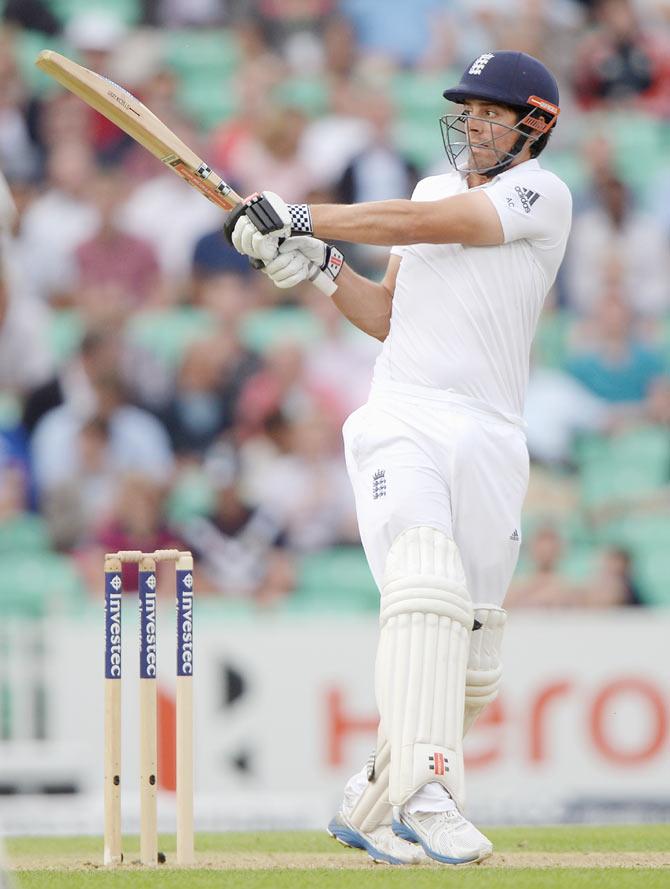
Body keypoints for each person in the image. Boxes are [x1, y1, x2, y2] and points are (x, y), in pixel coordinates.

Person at [225, 51, 572, 866]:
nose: (474, 123)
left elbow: (432, 229)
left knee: (474, 657)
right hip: (404, 417)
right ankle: (429, 792)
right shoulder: (426, 190)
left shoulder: (541, 196)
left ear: (536, 125)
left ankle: (370, 798)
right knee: (425, 583)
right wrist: (318, 268)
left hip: (492, 432)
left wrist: (303, 217)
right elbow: (388, 316)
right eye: (468, 109)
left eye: (491, 111)